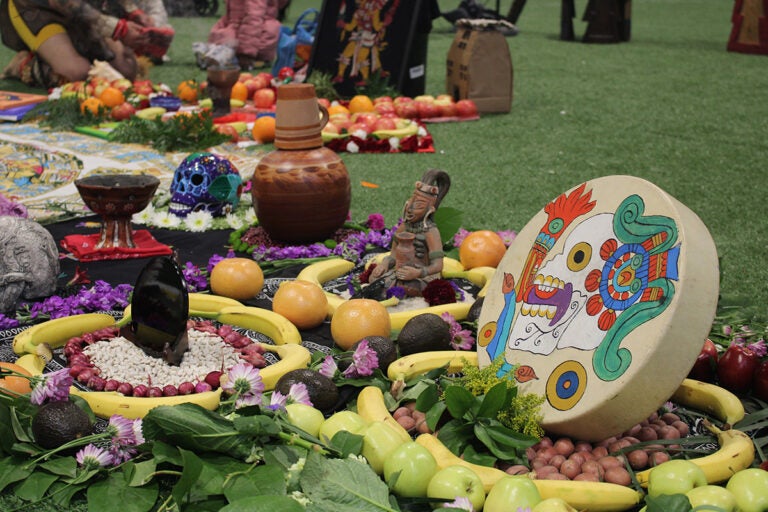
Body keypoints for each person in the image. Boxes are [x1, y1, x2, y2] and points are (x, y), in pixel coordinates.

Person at [0, 0, 168, 88]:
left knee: (126, 68)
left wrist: (133, 11)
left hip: (83, 8)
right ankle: (24, 66)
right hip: (37, 8)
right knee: (77, 75)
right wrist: (118, 29)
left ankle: (66, 49)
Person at [366, 169, 451, 299]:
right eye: (410, 203)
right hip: (401, 271)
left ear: (430, 210)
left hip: (424, 275)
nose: (410, 209)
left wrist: (418, 272)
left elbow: (438, 265)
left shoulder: (430, 231)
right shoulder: (404, 227)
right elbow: (393, 255)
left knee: (405, 287)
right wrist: (384, 265)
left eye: (418, 206)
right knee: (374, 278)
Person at [207, 0, 290, 70]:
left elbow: (254, 19)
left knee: (225, 41)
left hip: (256, 40)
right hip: (245, 33)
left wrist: (246, 53)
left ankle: (251, 59)